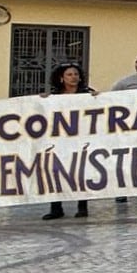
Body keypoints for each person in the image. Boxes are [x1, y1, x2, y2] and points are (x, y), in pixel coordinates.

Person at [42, 63, 94, 220]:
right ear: (61, 78)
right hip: (59, 140)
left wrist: (99, 98)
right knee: (55, 171)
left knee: (80, 171)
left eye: (76, 74)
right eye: (69, 75)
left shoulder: (88, 93)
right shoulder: (54, 96)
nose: (73, 77)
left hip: (82, 138)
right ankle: (56, 208)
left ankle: (82, 206)